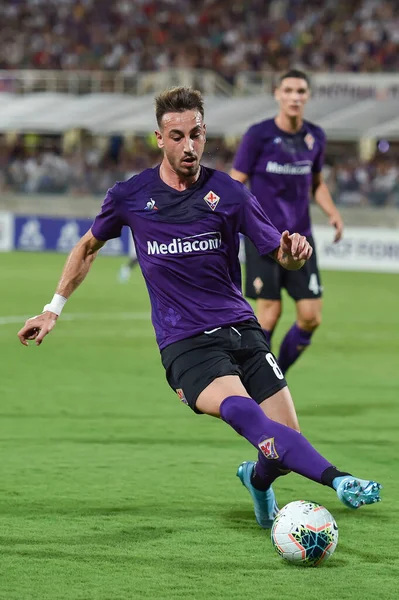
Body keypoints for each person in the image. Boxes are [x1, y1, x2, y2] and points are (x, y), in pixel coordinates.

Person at [17, 87, 381, 528]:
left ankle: (258, 481)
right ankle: (340, 480)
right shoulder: (131, 195)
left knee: (285, 443)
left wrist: (293, 255)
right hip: (185, 341)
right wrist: (52, 308)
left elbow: (276, 250)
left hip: (241, 328)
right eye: (176, 136)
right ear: (159, 138)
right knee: (245, 414)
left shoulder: (229, 192)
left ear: (204, 133)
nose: (188, 146)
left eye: (195, 134)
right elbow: (89, 246)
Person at [230, 69, 344, 375]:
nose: (295, 97)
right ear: (277, 94)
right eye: (289, 90)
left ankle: (275, 373)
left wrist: (332, 213)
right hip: (264, 237)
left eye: (301, 91)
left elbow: (316, 183)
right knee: (270, 314)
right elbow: (236, 181)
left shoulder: (315, 137)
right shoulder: (258, 135)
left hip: (301, 240)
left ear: (307, 96)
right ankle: (258, 380)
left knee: (311, 316)